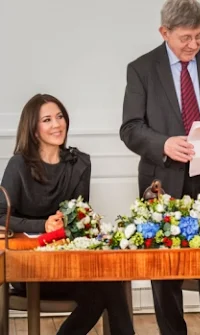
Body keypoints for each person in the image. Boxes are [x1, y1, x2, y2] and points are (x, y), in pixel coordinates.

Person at [119, 0, 200, 333]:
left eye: (199, 35)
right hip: (163, 185)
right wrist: (163, 144)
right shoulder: (141, 68)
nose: (193, 44)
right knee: (166, 278)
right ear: (164, 32)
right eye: (185, 38)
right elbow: (131, 127)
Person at [0, 94, 135, 335]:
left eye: (60, 117)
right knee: (107, 289)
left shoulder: (79, 164)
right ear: (33, 129)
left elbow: (78, 219)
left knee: (110, 282)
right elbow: (0, 215)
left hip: (68, 264)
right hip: (28, 266)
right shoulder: (18, 165)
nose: (57, 124)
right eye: (47, 119)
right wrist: (43, 225)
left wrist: (73, 222)